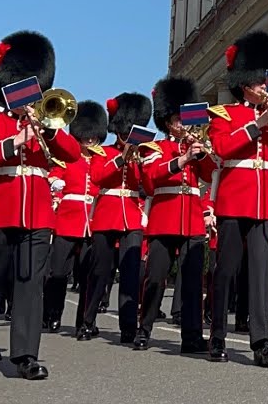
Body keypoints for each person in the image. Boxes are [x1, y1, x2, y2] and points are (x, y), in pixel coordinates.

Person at [0, 31, 81, 379]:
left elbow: (73, 155)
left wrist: (47, 130)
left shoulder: (47, 124)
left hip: (38, 213)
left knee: (30, 284)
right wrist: (14, 142)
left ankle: (26, 355)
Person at [205, 31, 268, 366]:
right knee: (226, 270)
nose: (264, 87)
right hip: (234, 201)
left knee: (263, 274)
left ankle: (262, 341)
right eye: (259, 82)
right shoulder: (223, 114)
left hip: (266, 202)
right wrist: (256, 123)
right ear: (244, 83)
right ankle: (217, 335)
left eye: (266, 81)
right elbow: (221, 149)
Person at [135, 76, 212, 354]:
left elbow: (210, 173)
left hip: (191, 219)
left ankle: (192, 336)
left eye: (185, 118)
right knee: (155, 278)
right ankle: (144, 329)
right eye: (179, 119)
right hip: (164, 219)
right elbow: (150, 177)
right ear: (168, 122)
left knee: (192, 282)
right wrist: (181, 160)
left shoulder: (196, 146)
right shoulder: (154, 148)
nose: (183, 124)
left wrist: (200, 153)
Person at [80, 92, 150, 342]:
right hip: (107, 214)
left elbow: (149, 188)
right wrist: (122, 158)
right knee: (100, 272)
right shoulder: (103, 152)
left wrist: (143, 164)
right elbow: (98, 177)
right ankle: (87, 321)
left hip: (131, 215)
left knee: (131, 274)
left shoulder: (142, 155)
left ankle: (128, 326)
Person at [43, 100, 106, 334]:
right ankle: (52, 314)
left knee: (88, 275)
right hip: (68, 219)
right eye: (86, 136)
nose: (90, 140)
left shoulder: (102, 158)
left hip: (93, 220)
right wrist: (55, 182)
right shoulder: (69, 157)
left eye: (94, 136)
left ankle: (84, 322)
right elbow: (54, 174)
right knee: (58, 272)